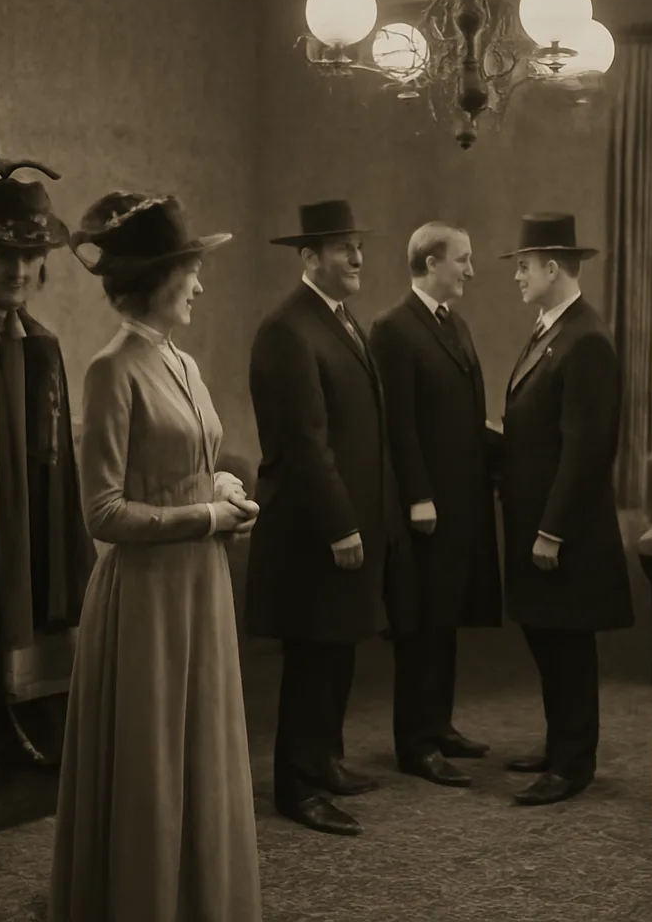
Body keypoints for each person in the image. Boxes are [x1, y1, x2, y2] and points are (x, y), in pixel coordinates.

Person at [48, 192, 262, 922]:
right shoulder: (111, 370)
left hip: (198, 586)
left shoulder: (184, 362)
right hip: (144, 599)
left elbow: (191, 464)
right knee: (153, 765)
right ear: (157, 279)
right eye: (190, 272)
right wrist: (207, 514)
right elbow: (102, 512)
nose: (200, 285)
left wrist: (223, 484)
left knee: (197, 755)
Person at [247, 198, 416, 838]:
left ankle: (326, 760)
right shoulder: (288, 329)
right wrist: (342, 524)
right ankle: (297, 785)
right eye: (343, 248)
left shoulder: (339, 320)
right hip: (315, 529)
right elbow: (304, 444)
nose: (357, 258)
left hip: (352, 522)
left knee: (340, 648)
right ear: (308, 257)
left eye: (358, 246)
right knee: (314, 655)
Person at [0, 135, 92, 776]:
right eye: (1, 257)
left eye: (29, 257)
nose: (16, 271)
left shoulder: (44, 347)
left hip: (33, 521)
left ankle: (31, 736)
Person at [497, 212, 634, 807]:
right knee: (547, 639)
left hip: (564, 530)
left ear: (553, 268)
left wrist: (552, 529)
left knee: (569, 646)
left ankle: (573, 762)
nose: (518, 278)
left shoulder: (586, 340)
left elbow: (585, 450)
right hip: (536, 519)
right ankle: (559, 744)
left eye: (524, 267)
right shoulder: (550, 329)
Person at [368, 222, 502, 788]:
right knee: (419, 623)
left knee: (444, 620)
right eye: (462, 260)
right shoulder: (393, 329)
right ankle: (414, 742)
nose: (471, 271)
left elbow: (467, 418)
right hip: (426, 507)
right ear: (429, 263)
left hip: (462, 501)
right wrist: (418, 496)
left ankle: (439, 723)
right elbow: (397, 426)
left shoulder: (455, 323)